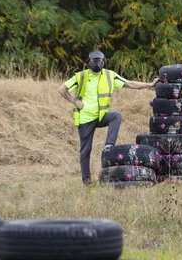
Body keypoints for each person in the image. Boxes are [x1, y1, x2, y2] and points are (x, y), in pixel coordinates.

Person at [58, 49, 159, 184]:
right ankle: (86, 181)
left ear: (103, 61)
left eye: (99, 61)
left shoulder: (109, 75)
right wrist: (75, 102)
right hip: (85, 118)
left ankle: (109, 146)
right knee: (86, 150)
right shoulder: (81, 76)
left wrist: (150, 84)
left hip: (101, 116)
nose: (97, 64)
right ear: (89, 62)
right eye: (94, 61)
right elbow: (62, 89)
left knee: (115, 115)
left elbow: (129, 83)